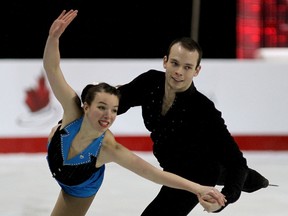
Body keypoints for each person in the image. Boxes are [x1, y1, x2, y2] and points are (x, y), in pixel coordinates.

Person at [43, 10, 226, 216]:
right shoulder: (72, 113)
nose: (108, 116)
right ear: (86, 106)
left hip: (77, 188)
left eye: (114, 110)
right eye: (102, 107)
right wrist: (53, 38)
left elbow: (154, 174)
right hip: (60, 159)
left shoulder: (108, 148)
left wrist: (199, 188)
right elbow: (52, 68)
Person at [116, 36, 270, 214]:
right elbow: (116, 101)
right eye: (174, 63)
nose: (179, 71)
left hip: (198, 173)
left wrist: (224, 199)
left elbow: (236, 163)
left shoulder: (203, 110)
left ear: (197, 70)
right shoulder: (150, 82)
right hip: (171, 167)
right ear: (165, 61)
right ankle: (254, 180)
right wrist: (91, 94)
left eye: (187, 67)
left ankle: (254, 181)